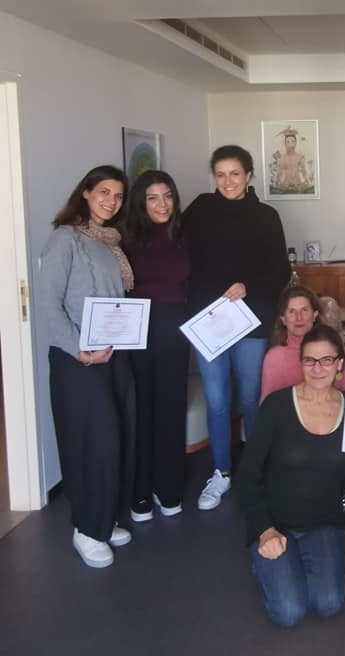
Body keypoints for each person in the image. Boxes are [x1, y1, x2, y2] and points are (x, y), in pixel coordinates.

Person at [235, 324, 345, 627]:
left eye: (326, 360)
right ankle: (263, 557)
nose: (317, 369)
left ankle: (290, 562)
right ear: (301, 362)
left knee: (328, 603)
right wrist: (264, 529)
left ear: (340, 364)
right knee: (289, 612)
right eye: (310, 360)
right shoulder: (277, 405)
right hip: (275, 521)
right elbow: (247, 474)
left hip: (325, 521)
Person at [36, 165, 135, 568]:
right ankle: (87, 529)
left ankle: (104, 518)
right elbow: (47, 305)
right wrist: (80, 350)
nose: (112, 201)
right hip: (78, 360)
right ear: (86, 193)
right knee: (95, 441)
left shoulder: (110, 242)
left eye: (118, 195)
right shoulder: (65, 240)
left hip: (112, 356)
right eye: (104, 192)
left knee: (118, 436)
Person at [183, 145, 291, 512]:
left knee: (249, 396)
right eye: (220, 174)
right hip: (211, 320)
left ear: (248, 175)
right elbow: (181, 257)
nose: (228, 181)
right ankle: (221, 471)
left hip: (250, 319)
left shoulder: (266, 216)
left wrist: (247, 286)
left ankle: (256, 471)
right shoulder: (200, 210)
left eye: (235, 173)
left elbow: (280, 270)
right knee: (216, 400)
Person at [124, 170, 191, 522]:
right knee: (140, 408)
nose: (162, 204)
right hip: (135, 328)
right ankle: (140, 490)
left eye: (167, 196)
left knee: (171, 407)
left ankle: (168, 487)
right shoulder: (124, 238)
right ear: (141, 202)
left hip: (174, 326)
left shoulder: (185, 235)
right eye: (153, 197)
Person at [260, 287, 345, 402]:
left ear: (315, 314)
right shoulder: (274, 358)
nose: (299, 318)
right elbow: (267, 405)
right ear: (283, 319)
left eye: (304, 310)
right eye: (292, 311)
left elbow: (344, 389)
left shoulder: (333, 345)